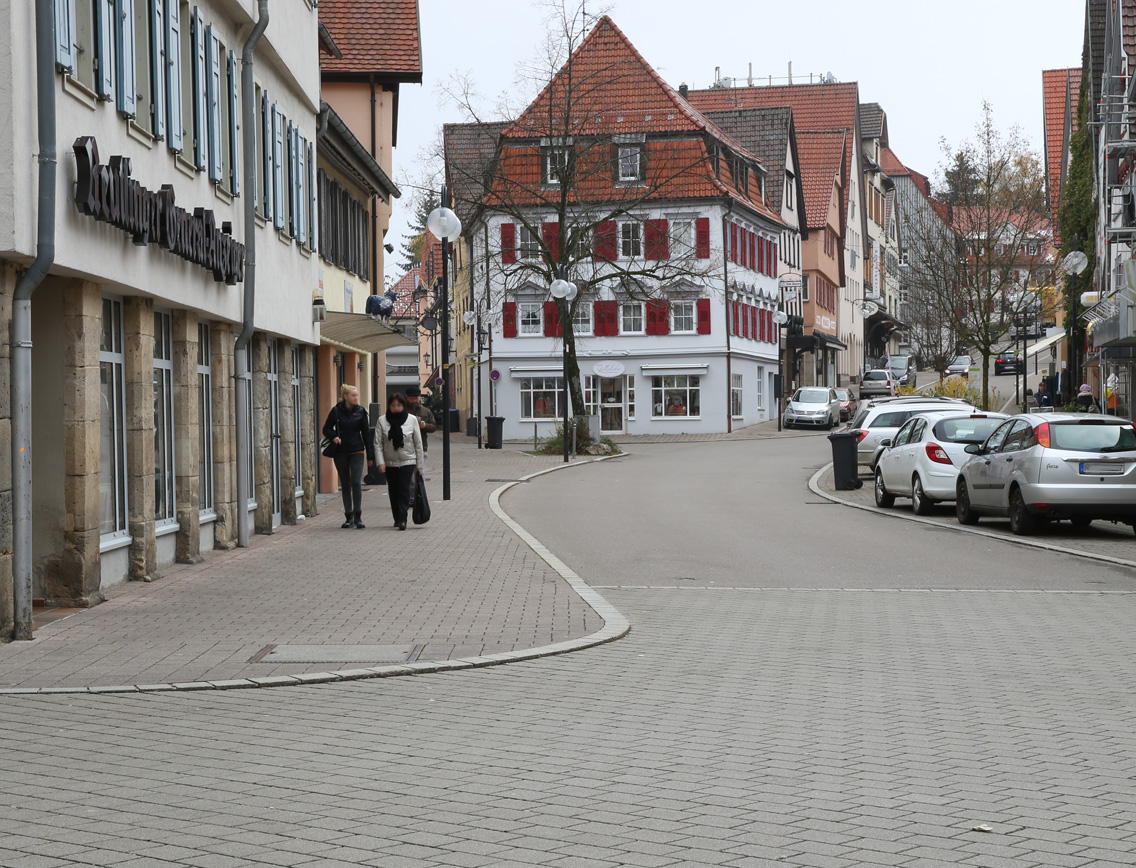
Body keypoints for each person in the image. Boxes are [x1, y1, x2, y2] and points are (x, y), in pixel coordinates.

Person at [322, 384, 376, 529]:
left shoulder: (361, 412)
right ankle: (349, 516)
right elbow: (326, 428)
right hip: (340, 452)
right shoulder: (336, 411)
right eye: (353, 395)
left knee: (356, 482)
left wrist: (370, 456)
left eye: (357, 395)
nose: (356, 398)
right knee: (345, 483)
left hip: (357, 451)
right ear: (345, 396)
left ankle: (358, 516)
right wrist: (334, 436)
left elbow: (366, 434)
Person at [377, 393, 424, 530]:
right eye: (393, 405)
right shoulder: (382, 421)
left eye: (399, 405)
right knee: (393, 490)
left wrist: (419, 465)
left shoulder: (412, 420)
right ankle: (397, 518)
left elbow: (418, 444)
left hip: (408, 460)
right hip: (390, 461)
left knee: (403, 488)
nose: (396, 408)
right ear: (389, 406)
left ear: (403, 406)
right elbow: (378, 444)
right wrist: (380, 462)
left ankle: (403, 519)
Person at [405, 386, 436, 467]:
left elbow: (434, 427)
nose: (414, 401)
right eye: (412, 398)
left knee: (420, 474)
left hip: (422, 447)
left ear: (419, 397)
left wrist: (425, 425)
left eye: (416, 398)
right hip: (405, 448)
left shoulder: (426, 411)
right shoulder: (402, 410)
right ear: (407, 397)